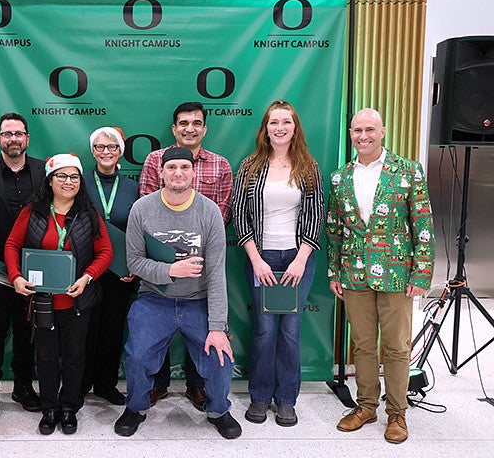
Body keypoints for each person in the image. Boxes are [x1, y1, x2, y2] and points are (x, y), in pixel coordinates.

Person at [115, 147, 241, 440]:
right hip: (154, 300)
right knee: (137, 357)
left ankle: (219, 411)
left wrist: (217, 327)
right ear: (161, 173)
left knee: (221, 357)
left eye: (185, 167)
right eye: (171, 168)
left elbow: (217, 273)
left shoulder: (209, 211)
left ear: (194, 172)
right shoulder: (142, 209)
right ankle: (136, 407)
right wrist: (172, 271)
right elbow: (134, 262)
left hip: (199, 301)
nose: (178, 173)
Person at [326, 108, 435, 444]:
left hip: (398, 274)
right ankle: (366, 406)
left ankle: (397, 413)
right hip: (354, 273)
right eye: (357, 130)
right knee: (361, 345)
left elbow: (424, 225)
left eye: (370, 129)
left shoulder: (408, 170)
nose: (363, 136)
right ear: (350, 133)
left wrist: (422, 272)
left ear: (383, 131)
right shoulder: (340, 177)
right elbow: (334, 229)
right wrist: (334, 271)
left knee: (397, 347)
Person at [4, 153, 113, 436]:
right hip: (42, 301)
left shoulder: (89, 213)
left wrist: (87, 278)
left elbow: (105, 252)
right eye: (61, 176)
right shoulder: (32, 211)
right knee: (47, 356)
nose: (68, 182)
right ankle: (49, 408)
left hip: (77, 299)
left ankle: (69, 408)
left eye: (74, 176)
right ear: (50, 181)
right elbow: (12, 245)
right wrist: (15, 276)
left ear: (80, 181)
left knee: (76, 357)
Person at [232, 100, 324, 427]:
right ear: (265, 128)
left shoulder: (308, 166)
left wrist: (301, 259)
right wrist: (256, 259)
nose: (280, 127)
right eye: (273, 122)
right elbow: (239, 216)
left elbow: (316, 216)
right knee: (264, 330)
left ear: (295, 127)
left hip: (297, 260)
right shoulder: (250, 166)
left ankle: (286, 399)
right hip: (263, 260)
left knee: (291, 332)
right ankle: (259, 396)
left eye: (286, 122)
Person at [138, 101, 233, 410]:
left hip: (203, 255)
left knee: (201, 330)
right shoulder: (155, 160)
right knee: (155, 327)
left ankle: (198, 389)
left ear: (204, 128)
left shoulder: (221, 165)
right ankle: (158, 385)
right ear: (174, 128)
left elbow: (222, 211)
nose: (189, 128)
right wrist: (170, 260)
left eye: (196, 123)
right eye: (183, 123)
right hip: (161, 260)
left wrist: (196, 235)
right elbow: (147, 208)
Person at [0, 112, 45, 420]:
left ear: (27, 139)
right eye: (7, 134)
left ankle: (23, 387)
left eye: (19, 133)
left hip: (35, 266)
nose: (14, 139)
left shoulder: (45, 170)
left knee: (26, 329)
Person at [81, 127, 139, 405]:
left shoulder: (131, 186)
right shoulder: (78, 182)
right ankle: (79, 384)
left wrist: (133, 266)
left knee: (113, 329)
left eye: (112, 147)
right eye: (100, 147)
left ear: (120, 152)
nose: (106, 152)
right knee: (83, 328)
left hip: (119, 272)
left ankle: (105, 384)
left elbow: (138, 230)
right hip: (85, 269)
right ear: (92, 151)